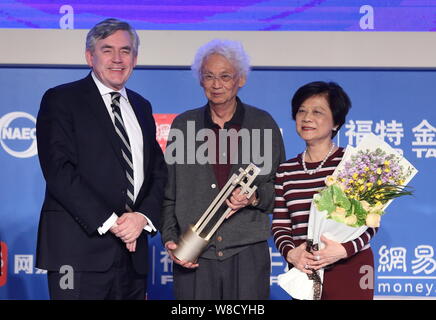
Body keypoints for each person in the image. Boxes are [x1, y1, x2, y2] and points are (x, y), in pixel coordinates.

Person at [35, 18, 167, 300]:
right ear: (89, 57)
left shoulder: (142, 107)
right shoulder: (61, 99)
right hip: (78, 254)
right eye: (107, 50)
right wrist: (113, 222)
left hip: (132, 255)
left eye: (125, 50)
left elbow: (156, 172)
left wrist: (141, 218)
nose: (117, 59)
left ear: (135, 57)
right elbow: (59, 171)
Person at [160, 39, 285, 300]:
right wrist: (172, 240)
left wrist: (255, 197)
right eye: (209, 76)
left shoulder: (262, 124)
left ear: (241, 79)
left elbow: (281, 190)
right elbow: (168, 193)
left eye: (225, 76)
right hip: (194, 253)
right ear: (200, 80)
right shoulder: (184, 125)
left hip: (246, 253)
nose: (216, 85)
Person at [272, 81, 378, 300]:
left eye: (317, 112)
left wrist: (344, 250)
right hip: (305, 268)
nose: (307, 118)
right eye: (301, 111)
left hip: (349, 265)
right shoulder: (286, 170)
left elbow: (371, 220)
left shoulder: (353, 164)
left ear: (336, 122)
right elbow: (281, 224)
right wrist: (292, 254)